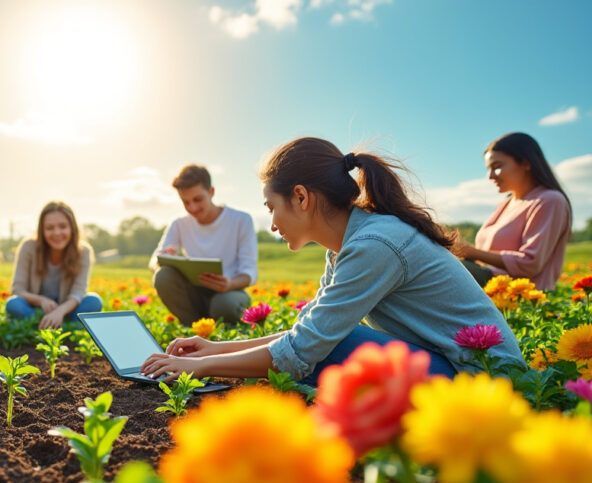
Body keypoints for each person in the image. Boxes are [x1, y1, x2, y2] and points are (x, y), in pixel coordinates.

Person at [141, 137, 525, 385]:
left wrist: (198, 368)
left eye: (272, 208)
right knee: (332, 343)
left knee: (336, 348)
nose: (272, 224)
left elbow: (305, 348)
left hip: (486, 383)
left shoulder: (374, 244)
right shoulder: (346, 245)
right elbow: (308, 331)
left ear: (302, 197)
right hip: (455, 371)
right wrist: (213, 350)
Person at [456, 132, 571, 290]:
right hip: (491, 286)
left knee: (444, 272)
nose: (490, 176)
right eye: (488, 169)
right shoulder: (506, 203)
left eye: (496, 167)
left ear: (525, 163)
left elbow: (530, 264)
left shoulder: (550, 200)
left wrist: (472, 251)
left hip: (522, 296)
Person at [149, 164, 258, 325]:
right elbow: (154, 261)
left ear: (211, 192)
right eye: (185, 202)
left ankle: (220, 331)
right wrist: (167, 256)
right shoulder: (178, 224)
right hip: (194, 295)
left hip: (229, 293)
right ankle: (195, 328)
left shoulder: (241, 220)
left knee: (224, 304)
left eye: (197, 200)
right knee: (163, 276)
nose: (192, 208)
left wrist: (229, 284)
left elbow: (250, 271)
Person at [6, 201, 102, 329]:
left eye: (62, 226)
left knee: (94, 301)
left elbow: (78, 293)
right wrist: (41, 300)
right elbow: (18, 289)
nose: (57, 233)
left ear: (72, 228)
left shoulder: (83, 252)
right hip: (35, 309)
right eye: (50, 228)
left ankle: (51, 326)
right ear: (42, 230)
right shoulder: (28, 247)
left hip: (66, 310)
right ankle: (57, 326)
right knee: (14, 304)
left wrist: (60, 311)